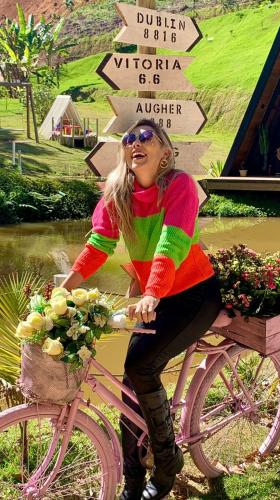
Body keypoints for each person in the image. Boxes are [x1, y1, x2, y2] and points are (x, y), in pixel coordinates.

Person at [61, 118, 222, 500]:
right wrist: (66, 287)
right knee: (129, 386)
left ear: (164, 153)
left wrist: (151, 293)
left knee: (139, 366)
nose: (136, 141)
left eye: (146, 136)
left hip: (194, 293)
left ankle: (168, 460)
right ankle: (132, 484)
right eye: (129, 138)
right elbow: (98, 245)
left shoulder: (179, 185)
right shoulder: (117, 193)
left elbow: (172, 242)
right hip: (158, 296)